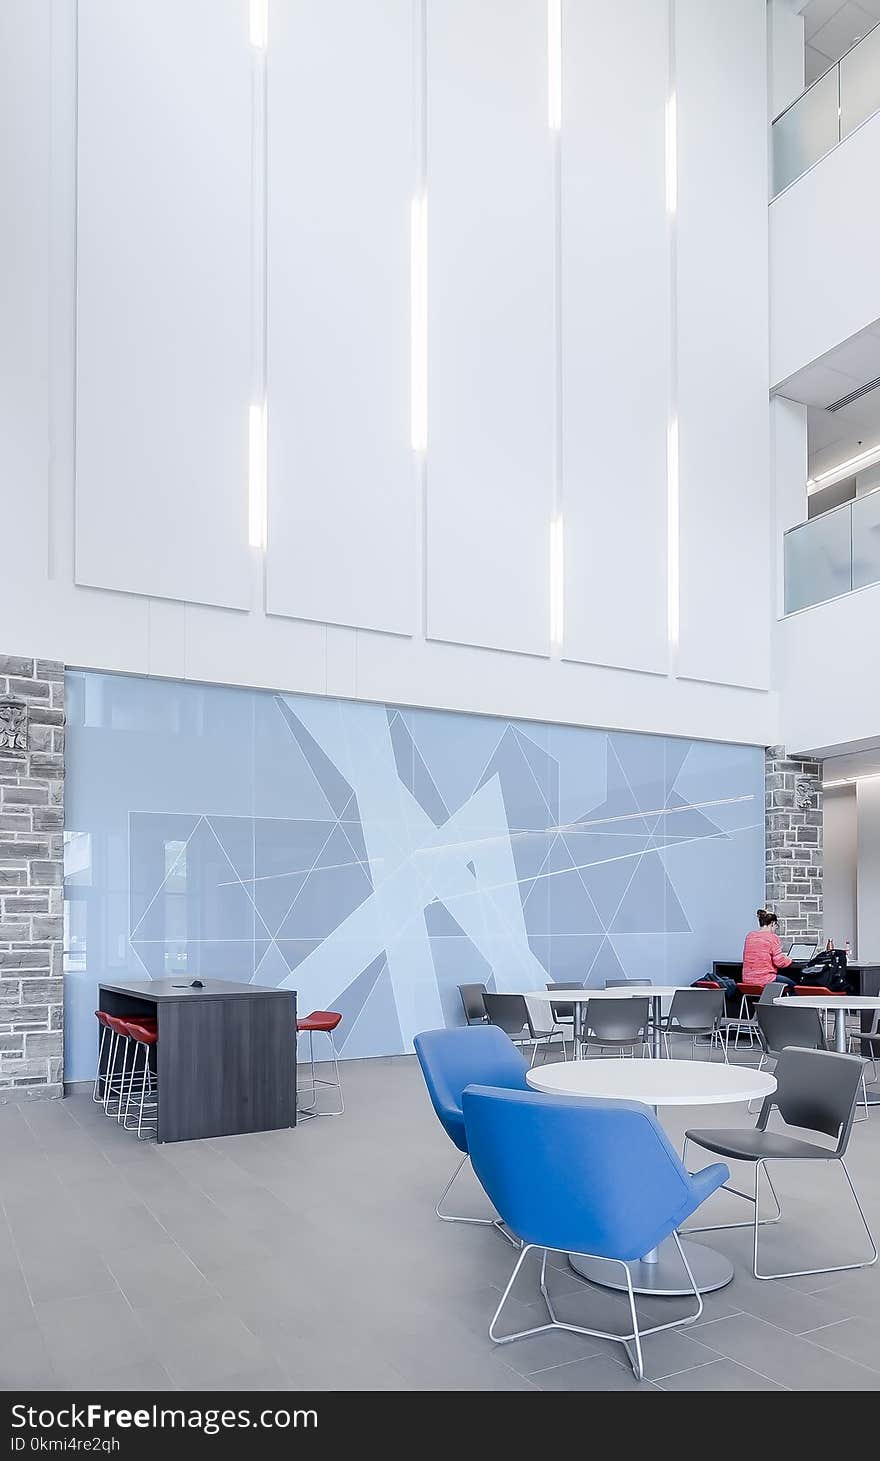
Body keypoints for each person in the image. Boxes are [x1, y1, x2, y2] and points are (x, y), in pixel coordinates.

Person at [741, 909, 796, 990]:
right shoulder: (772, 937)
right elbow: (779, 962)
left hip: (747, 981)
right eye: (776, 925)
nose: (775, 928)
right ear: (772, 923)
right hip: (765, 980)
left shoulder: (750, 936)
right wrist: (789, 959)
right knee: (795, 987)